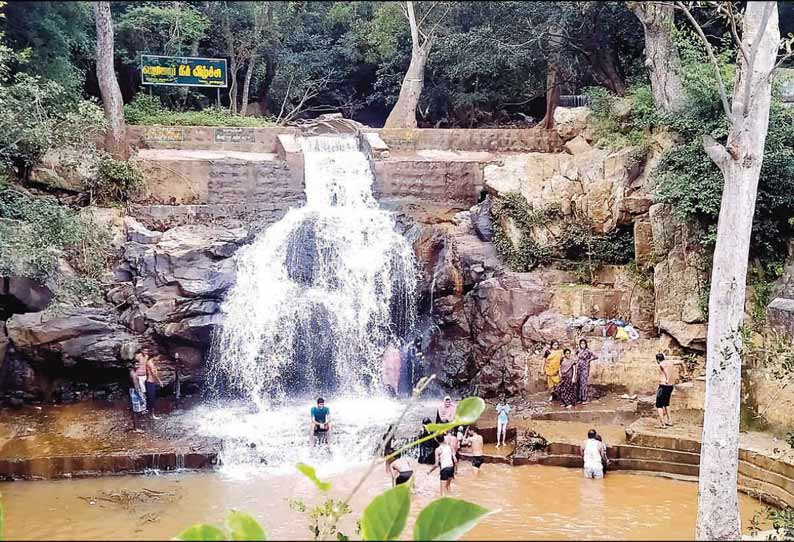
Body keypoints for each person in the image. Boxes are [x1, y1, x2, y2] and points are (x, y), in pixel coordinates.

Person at [655, 353, 685, 428]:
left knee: (659, 405)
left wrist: (667, 379)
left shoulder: (661, 364)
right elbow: (681, 362)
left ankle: (662, 424)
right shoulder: (670, 362)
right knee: (666, 403)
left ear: (658, 360)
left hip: (663, 386)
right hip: (670, 386)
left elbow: (665, 370)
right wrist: (685, 371)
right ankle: (669, 421)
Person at [140, 351, 164, 420]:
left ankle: (148, 412)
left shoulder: (151, 362)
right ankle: (152, 415)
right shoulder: (150, 363)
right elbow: (154, 373)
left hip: (151, 382)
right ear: (154, 356)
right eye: (158, 357)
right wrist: (159, 381)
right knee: (151, 399)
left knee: (151, 398)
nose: (158, 359)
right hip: (150, 382)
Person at [576, 339, 598, 404]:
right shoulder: (578, 351)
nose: (582, 345)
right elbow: (576, 357)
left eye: (584, 343)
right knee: (579, 382)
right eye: (581, 343)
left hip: (585, 368)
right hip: (579, 368)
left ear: (586, 344)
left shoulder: (588, 351)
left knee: (583, 383)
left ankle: (584, 398)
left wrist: (589, 360)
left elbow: (596, 356)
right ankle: (579, 398)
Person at [128, 365, 147, 432]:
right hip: (135, 393)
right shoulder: (134, 375)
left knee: (135, 410)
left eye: (138, 364)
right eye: (136, 364)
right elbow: (136, 387)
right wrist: (141, 397)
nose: (138, 365)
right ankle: (136, 428)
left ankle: (136, 426)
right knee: (136, 411)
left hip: (132, 391)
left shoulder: (132, 372)